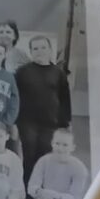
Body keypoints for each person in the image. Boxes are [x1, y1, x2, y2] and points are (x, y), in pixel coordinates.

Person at [15, 35, 71, 180]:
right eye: (35, 48)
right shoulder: (22, 72)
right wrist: (14, 122)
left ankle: (40, 187)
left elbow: (64, 98)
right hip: (27, 122)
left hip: (50, 123)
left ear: (50, 50)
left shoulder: (58, 73)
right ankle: (28, 190)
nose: (39, 51)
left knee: (44, 156)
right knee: (29, 155)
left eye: (43, 47)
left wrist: (65, 123)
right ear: (31, 52)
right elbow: (15, 97)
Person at [22, 127, 88, 199]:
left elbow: (75, 196)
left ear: (72, 147)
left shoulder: (79, 168)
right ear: (52, 143)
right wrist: (41, 192)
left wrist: (58, 197)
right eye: (57, 143)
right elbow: (32, 186)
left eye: (65, 145)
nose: (60, 148)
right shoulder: (43, 161)